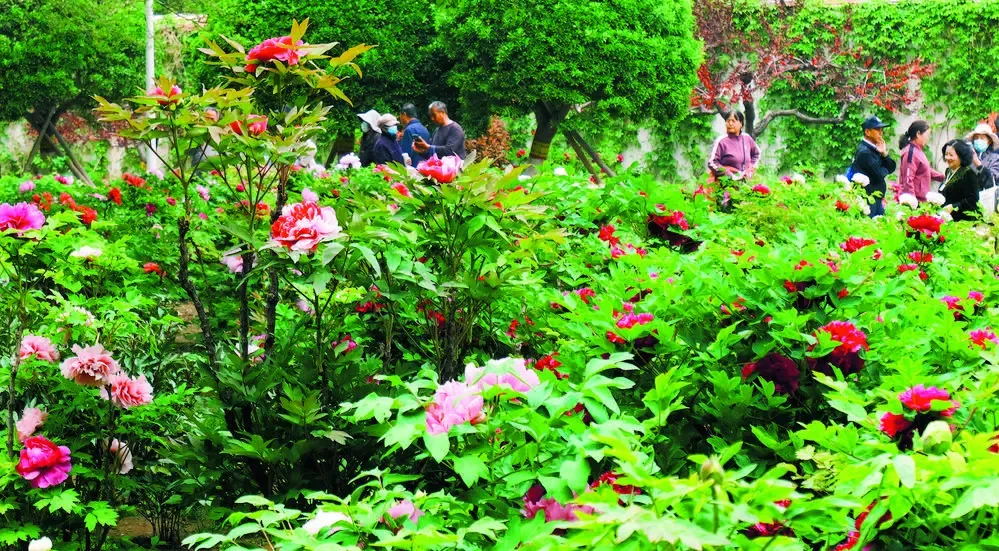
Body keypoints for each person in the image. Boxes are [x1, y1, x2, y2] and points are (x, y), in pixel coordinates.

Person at [850, 116, 897, 218]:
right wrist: (884, 168)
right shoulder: (865, 152)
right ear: (867, 132)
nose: (881, 133)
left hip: (875, 200)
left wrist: (884, 154)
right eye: (877, 130)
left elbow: (892, 167)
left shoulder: (874, 149)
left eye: (881, 130)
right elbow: (880, 174)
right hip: (868, 200)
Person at [897, 120, 944, 203]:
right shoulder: (910, 152)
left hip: (921, 201)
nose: (928, 138)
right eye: (927, 135)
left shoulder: (918, 151)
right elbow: (908, 180)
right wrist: (912, 203)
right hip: (915, 202)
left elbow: (925, 169)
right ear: (918, 134)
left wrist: (944, 177)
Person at [707, 111, 760, 181]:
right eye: (728, 121)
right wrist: (729, 175)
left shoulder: (747, 138)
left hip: (746, 182)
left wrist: (751, 167)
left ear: (741, 123)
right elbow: (712, 162)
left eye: (733, 121)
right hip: (726, 182)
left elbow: (757, 154)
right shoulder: (721, 141)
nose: (730, 123)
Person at [940, 139, 983, 221]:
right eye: (946, 154)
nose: (947, 158)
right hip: (949, 218)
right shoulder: (948, 171)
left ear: (961, 156)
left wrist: (954, 206)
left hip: (964, 220)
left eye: (951, 155)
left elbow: (973, 199)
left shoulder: (968, 173)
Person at [966, 123, 999, 212]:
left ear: (989, 141)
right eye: (976, 138)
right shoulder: (967, 158)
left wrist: (977, 162)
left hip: (986, 202)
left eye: (982, 138)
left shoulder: (995, 158)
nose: (978, 140)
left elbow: (992, 179)